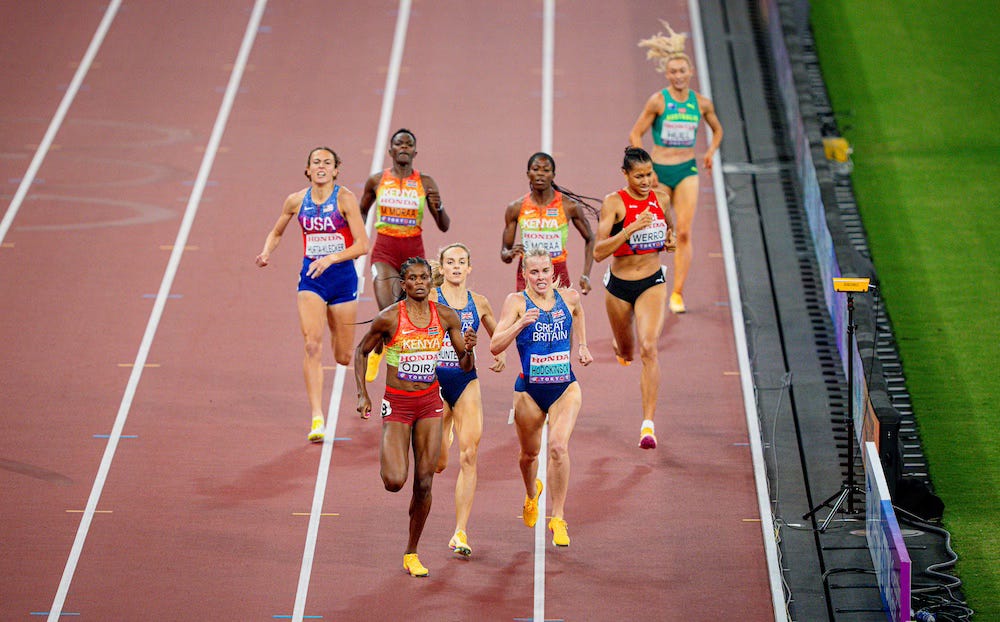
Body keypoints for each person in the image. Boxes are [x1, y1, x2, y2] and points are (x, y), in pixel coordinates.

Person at [355, 257, 476, 577]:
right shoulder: (389, 317)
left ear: (431, 282)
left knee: (424, 483)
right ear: (404, 284)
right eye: (413, 278)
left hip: (429, 404)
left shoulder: (446, 317)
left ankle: (412, 552)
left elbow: (465, 365)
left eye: (424, 277)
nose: (420, 282)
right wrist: (362, 393)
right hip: (398, 405)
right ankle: (393, 454)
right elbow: (361, 351)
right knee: (395, 481)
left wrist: (469, 350)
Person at [256, 146, 369, 442]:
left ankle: (338, 329)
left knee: (343, 356)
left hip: (342, 280)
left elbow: (363, 245)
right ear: (307, 170)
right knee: (311, 345)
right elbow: (277, 232)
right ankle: (317, 417)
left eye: (327, 163)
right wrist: (267, 252)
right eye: (316, 162)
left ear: (335, 170)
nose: (321, 166)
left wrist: (331, 258)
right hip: (312, 280)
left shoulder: (344, 199)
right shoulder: (296, 201)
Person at [490, 246, 592, 547]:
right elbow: (495, 345)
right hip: (529, 392)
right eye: (533, 272)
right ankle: (531, 494)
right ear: (524, 274)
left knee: (558, 447)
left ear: (552, 271)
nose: (540, 277)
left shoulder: (569, 297)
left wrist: (583, 345)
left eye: (545, 270)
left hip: (564, 388)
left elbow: (578, 312)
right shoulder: (516, 302)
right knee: (529, 456)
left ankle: (558, 518)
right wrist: (520, 323)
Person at [628, 20, 723, 314]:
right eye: (673, 72)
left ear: (691, 72)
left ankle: (677, 293)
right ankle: (641, 284)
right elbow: (635, 134)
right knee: (651, 232)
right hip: (659, 172)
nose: (678, 76)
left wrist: (710, 151)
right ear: (667, 74)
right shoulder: (658, 101)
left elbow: (718, 130)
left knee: (682, 233)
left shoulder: (701, 103)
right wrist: (647, 169)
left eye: (683, 71)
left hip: (686, 171)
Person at [593, 147, 676, 449]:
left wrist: (670, 240)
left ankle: (647, 426)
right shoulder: (614, 203)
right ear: (625, 174)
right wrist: (630, 229)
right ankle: (620, 345)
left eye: (649, 174)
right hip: (619, 286)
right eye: (639, 176)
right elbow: (598, 252)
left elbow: (670, 227)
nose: (645, 181)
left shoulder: (661, 199)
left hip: (651, 282)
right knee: (627, 353)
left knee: (649, 347)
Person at [428, 243, 505, 558]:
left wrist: (499, 354)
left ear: (469, 267)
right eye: (451, 262)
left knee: (470, 455)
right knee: (438, 463)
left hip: (465, 380)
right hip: (434, 380)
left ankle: (460, 531)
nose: (456, 266)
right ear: (443, 267)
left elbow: (498, 337)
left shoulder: (480, 302)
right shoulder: (431, 298)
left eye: (462, 262)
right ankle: (443, 432)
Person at [359, 128, 449, 382]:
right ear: (390, 150)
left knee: (410, 314)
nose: (404, 148)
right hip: (384, 252)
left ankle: (406, 360)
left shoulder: (425, 183)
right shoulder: (377, 180)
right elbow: (362, 210)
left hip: (414, 257)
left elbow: (444, 225)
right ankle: (378, 351)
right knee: (387, 309)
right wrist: (360, 237)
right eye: (399, 144)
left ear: (415, 152)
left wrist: (439, 207)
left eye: (409, 144)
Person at [500, 152, 596, 294]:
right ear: (528, 174)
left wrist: (586, 275)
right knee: (526, 309)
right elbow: (504, 254)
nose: (540, 174)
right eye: (536, 169)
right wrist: (509, 253)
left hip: (557, 271)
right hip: (527, 274)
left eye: (546, 170)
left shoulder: (569, 206)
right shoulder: (516, 207)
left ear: (553, 175)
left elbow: (590, 238)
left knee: (562, 309)